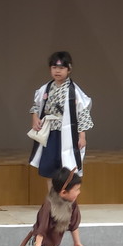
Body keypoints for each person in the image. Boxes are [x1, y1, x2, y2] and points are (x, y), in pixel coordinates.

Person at [29, 51, 94, 181]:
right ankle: (51, 194)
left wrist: (82, 136)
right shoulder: (45, 89)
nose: (57, 71)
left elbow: (82, 113)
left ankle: (66, 194)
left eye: (61, 68)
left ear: (69, 69)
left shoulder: (74, 91)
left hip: (68, 133)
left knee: (67, 167)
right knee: (49, 166)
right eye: (54, 67)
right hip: (50, 132)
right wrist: (35, 117)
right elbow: (36, 106)